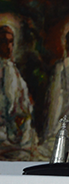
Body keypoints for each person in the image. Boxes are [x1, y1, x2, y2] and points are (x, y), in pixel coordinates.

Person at [0, 25, 38, 160]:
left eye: (11, 42)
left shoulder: (13, 69)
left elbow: (24, 100)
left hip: (17, 130)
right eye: (4, 42)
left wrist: (24, 110)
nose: (8, 46)